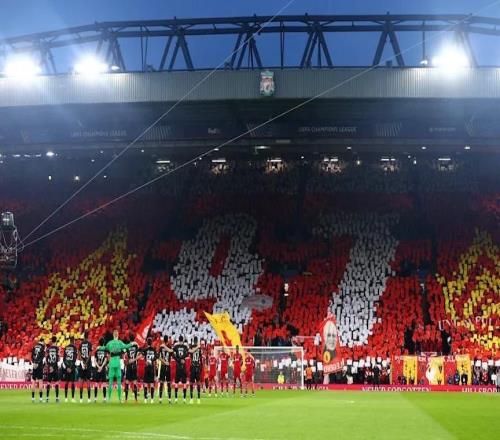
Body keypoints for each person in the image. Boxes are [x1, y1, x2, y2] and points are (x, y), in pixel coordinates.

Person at [104, 329, 134, 402]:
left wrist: (99, 347)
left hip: (111, 362)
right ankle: (120, 399)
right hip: (117, 362)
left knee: (110, 381)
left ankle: (108, 398)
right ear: (118, 335)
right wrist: (132, 343)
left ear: (113, 335)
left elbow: (104, 348)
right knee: (119, 381)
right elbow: (126, 346)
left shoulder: (110, 343)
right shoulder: (119, 342)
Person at [172, 335, 189, 403]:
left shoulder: (176, 346)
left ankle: (176, 399)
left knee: (176, 382)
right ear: (183, 340)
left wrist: (178, 360)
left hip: (178, 366)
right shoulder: (185, 346)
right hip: (183, 365)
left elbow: (172, 354)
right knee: (184, 383)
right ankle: (184, 399)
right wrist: (183, 359)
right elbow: (188, 353)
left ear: (178, 340)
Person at [124, 333, 139, 403]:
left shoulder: (127, 346)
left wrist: (127, 361)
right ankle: (136, 399)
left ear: (129, 339)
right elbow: (138, 354)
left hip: (129, 365)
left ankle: (126, 399)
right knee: (135, 382)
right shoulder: (136, 345)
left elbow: (125, 355)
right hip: (134, 365)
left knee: (127, 381)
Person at [78, 332, 92, 403]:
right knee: (88, 381)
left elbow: (79, 355)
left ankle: (81, 399)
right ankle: (89, 399)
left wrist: (83, 362)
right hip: (88, 365)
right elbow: (90, 354)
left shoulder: (81, 344)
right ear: (88, 336)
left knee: (81, 381)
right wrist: (86, 363)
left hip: (82, 365)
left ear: (84, 337)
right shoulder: (89, 344)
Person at [142, 337, 157, 404]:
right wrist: (152, 360)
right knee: (152, 384)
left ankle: (145, 399)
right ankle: (152, 399)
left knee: (145, 383)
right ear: (152, 343)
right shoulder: (154, 349)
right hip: (151, 368)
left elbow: (142, 355)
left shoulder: (145, 350)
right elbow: (156, 356)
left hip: (146, 367)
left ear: (147, 343)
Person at [158, 335, 172, 404]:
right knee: (169, 383)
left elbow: (158, 356)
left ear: (163, 340)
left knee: (161, 382)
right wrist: (166, 362)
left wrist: (163, 361)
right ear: (168, 340)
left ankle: (160, 399)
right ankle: (169, 399)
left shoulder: (161, 347)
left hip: (163, 366)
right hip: (168, 366)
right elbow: (171, 352)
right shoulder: (169, 346)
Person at [62, 337, 77, 402]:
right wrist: (70, 367)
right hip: (72, 367)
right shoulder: (74, 348)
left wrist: (67, 367)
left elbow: (64, 359)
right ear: (73, 341)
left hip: (67, 367)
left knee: (67, 382)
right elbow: (74, 358)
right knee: (72, 382)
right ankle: (72, 398)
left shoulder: (66, 347)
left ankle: (66, 398)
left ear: (70, 341)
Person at [93, 338, 108, 403]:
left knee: (96, 384)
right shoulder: (104, 350)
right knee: (104, 384)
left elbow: (95, 360)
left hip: (97, 369)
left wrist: (98, 367)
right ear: (103, 343)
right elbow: (105, 359)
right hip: (103, 369)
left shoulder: (97, 350)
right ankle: (104, 398)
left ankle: (95, 399)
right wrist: (101, 367)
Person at [45, 336, 60, 403]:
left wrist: (50, 366)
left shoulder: (48, 349)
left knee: (48, 382)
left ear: (52, 341)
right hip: (55, 368)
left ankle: (47, 398)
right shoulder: (57, 348)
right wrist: (53, 367)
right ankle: (57, 398)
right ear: (56, 341)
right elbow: (58, 359)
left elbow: (46, 359)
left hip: (50, 368)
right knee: (56, 382)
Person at [189, 336, 203, 404]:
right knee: (198, 383)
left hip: (193, 366)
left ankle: (192, 399)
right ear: (197, 341)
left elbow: (190, 354)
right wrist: (201, 367)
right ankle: (198, 399)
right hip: (197, 366)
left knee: (192, 383)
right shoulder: (198, 348)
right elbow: (200, 358)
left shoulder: (191, 347)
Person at [31, 338, 45, 403]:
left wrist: (34, 363)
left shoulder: (34, 347)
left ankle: (33, 398)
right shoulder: (42, 347)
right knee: (40, 381)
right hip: (39, 365)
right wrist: (38, 363)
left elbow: (32, 356)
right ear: (42, 341)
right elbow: (42, 357)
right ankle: (41, 398)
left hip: (34, 365)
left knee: (33, 381)